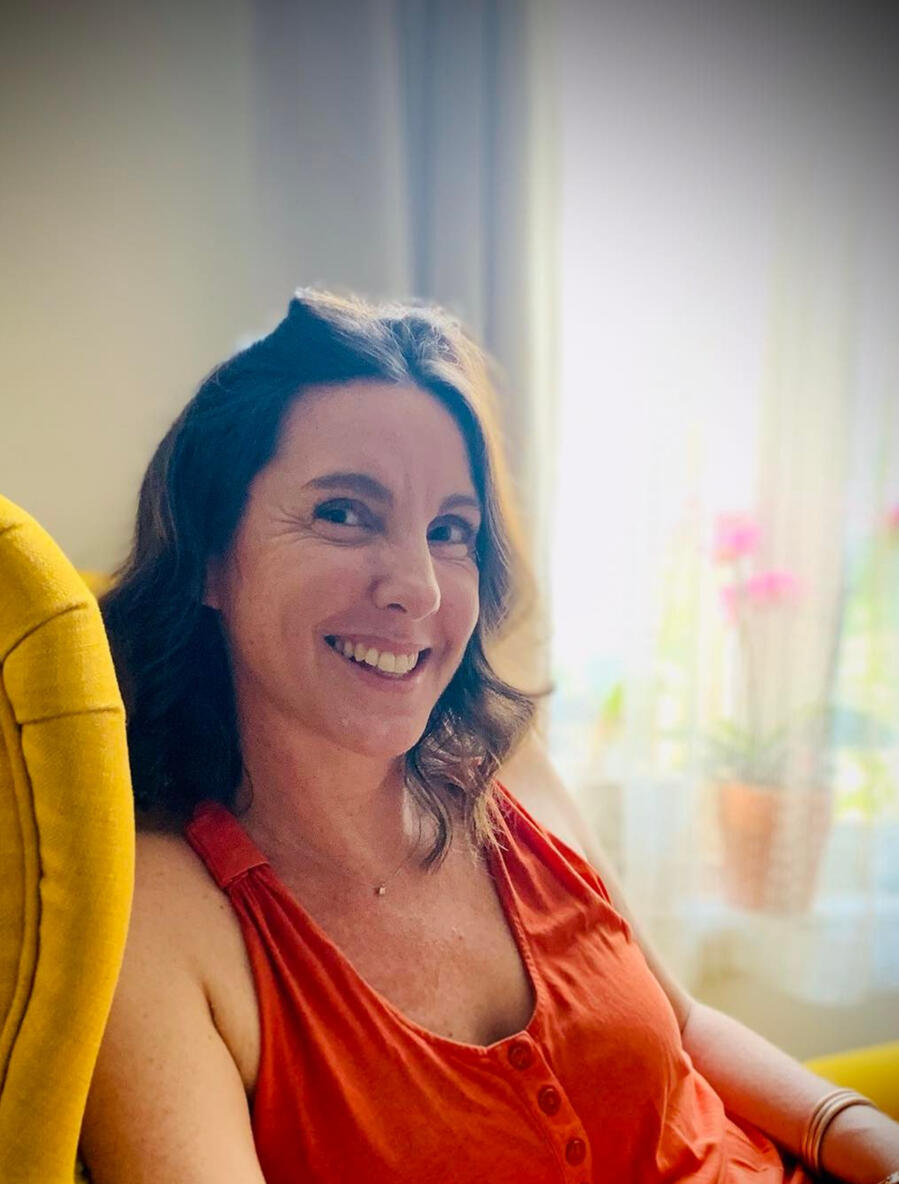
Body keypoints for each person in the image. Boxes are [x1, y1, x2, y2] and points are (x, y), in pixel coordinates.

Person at [80, 290, 899, 1183]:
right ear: (208, 556)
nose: (419, 588)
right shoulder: (154, 914)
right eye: (344, 513)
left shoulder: (506, 766)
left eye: (449, 532)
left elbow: (685, 1025)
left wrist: (865, 1139)